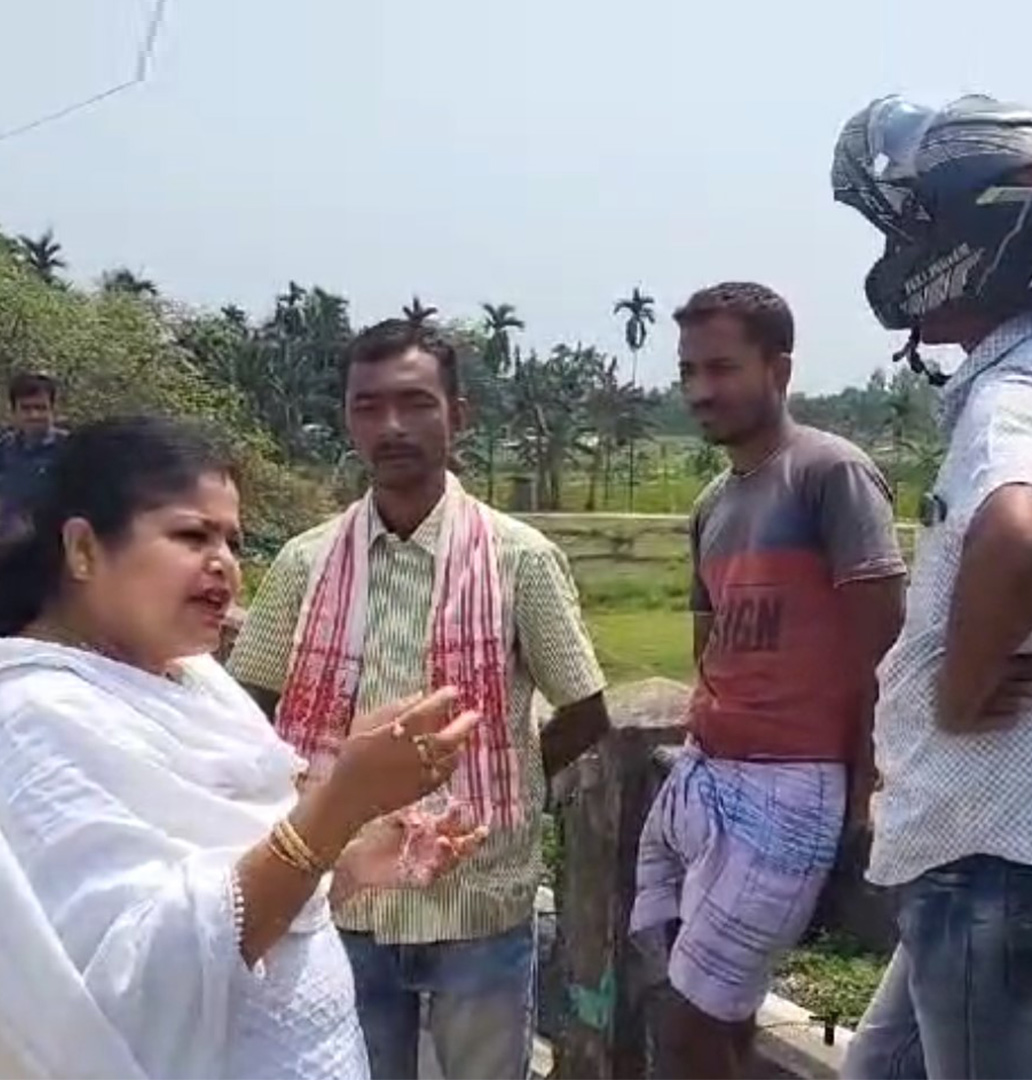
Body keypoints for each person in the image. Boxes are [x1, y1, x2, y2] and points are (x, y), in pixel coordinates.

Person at [0, 415, 488, 1080]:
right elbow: (138, 982)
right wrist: (341, 801)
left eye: (232, 540)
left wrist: (353, 861)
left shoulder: (194, 679)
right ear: (83, 550)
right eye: (191, 535)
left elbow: (249, 896)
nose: (224, 563)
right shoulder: (32, 718)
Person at [228, 318, 610, 1080]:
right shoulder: (305, 565)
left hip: (478, 897)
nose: (391, 426)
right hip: (344, 902)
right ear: (348, 420)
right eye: (369, 407)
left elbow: (586, 710)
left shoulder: (519, 560)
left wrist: (497, 780)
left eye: (415, 403)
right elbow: (246, 709)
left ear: (456, 416)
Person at [833, 94, 1032, 1080]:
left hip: (992, 860)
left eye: (905, 227)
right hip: (987, 853)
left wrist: (962, 683)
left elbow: (1022, 529)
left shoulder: (1017, 390)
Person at [629, 282, 907, 1079]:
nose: (700, 390)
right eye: (689, 370)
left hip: (792, 783)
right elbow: (710, 650)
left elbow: (884, 647)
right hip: (707, 770)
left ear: (778, 369)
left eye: (722, 367)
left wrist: (865, 789)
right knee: (687, 986)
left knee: (689, 1024)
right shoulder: (714, 501)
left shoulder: (831, 474)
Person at [0, 371, 66, 539]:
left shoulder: (70, 449)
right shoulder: (4, 448)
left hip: (52, 546)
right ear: (13, 412)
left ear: (53, 410)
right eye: (26, 409)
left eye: (41, 408)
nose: (34, 415)